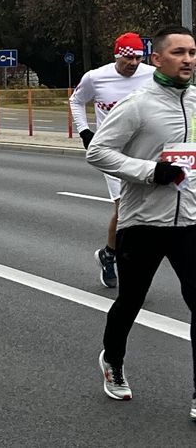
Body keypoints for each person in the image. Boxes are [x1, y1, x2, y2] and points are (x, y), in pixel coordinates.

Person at [86, 25, 196, 419]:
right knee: (130, 300)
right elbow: (98, 152)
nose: (188, 60)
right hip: (144, 220)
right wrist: (150, 171)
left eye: (192, 53)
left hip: (189, 221)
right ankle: (112, 361)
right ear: (157, 59)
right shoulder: (137, 103)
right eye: (179, 52)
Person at [70, 32, 155, 289]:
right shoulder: (96, 78)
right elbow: (76, 101)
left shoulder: (151, 75)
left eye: (138, 58)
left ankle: (109, 253)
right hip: (112, 153)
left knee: (147, 211)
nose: (133, 63)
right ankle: (126, 265)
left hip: (145, 151)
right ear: (117, 55)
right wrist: (85, 131)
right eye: (128, 58)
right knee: (124, 210)